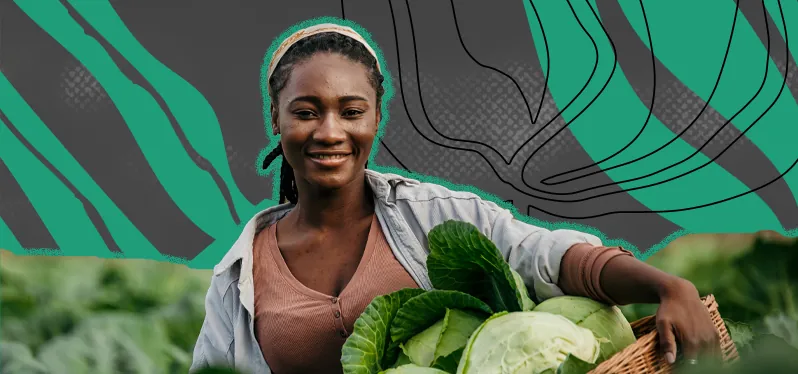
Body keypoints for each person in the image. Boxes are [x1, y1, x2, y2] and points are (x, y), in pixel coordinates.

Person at [190, 21, 720, 374]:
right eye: (306, 112)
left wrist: (668, 286)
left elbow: (547, 256)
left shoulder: (435, 217)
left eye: (351, 111)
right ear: (277, 120)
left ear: (375, 118)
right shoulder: (240, 273)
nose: (330, 131)